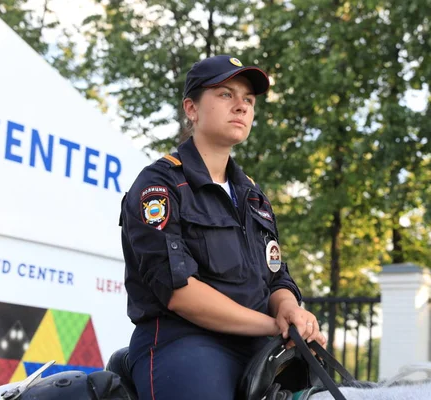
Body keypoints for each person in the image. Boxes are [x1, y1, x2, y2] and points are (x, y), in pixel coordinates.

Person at [119, 55, 326, 400]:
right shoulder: (159, 185)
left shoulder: (253, 196)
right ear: (192, 108)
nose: (241, 107)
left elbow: (275, 276)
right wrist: (274, 325)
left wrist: (290, 309)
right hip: (184, 343)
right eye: (226, 95)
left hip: (261, 344)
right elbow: (180, 292)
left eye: (248, 100)